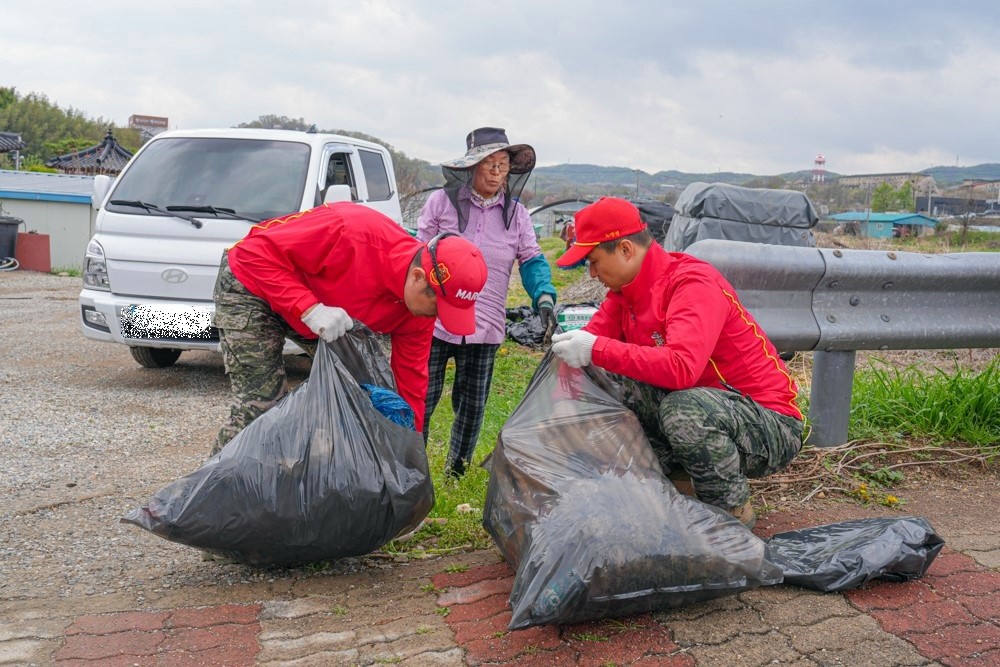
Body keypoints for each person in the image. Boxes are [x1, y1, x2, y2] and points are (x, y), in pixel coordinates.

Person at [549, 197, 804, 528]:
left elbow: (681, 368)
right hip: (701, 407)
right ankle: (676, 484)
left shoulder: (691, 283)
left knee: (683, 409)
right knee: (607, 386)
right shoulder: (624, 295)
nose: (593, 273)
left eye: (594, 261)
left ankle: (730, 518)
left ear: (626, 250)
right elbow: (589, 359)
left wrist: (595, 348)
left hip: (770, 422)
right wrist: (557, 415)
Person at [210, 201, 488, 456]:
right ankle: (202, 500)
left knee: (366, 397)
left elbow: (411, 384)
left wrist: (408, 451)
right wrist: (308, 307)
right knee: (262, 408)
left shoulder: (418, 312)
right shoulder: (351, 230)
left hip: (319, 313)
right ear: (418, 277)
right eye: (439, 307)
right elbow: (250, 252)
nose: (437, 317)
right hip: (253, 286)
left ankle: (310, 481)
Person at [417, 127, 557, 477]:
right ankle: (413, 467)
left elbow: (531, 259)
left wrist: (543, 295)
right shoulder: (441, 204)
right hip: (435, 318)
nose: (497, 171)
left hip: (486, 324)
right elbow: (416, 253)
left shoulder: (517, 215)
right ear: (471, 167)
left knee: (472, 403)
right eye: (489, 163)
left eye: (503, 164)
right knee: (423, 396)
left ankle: (457, 470)